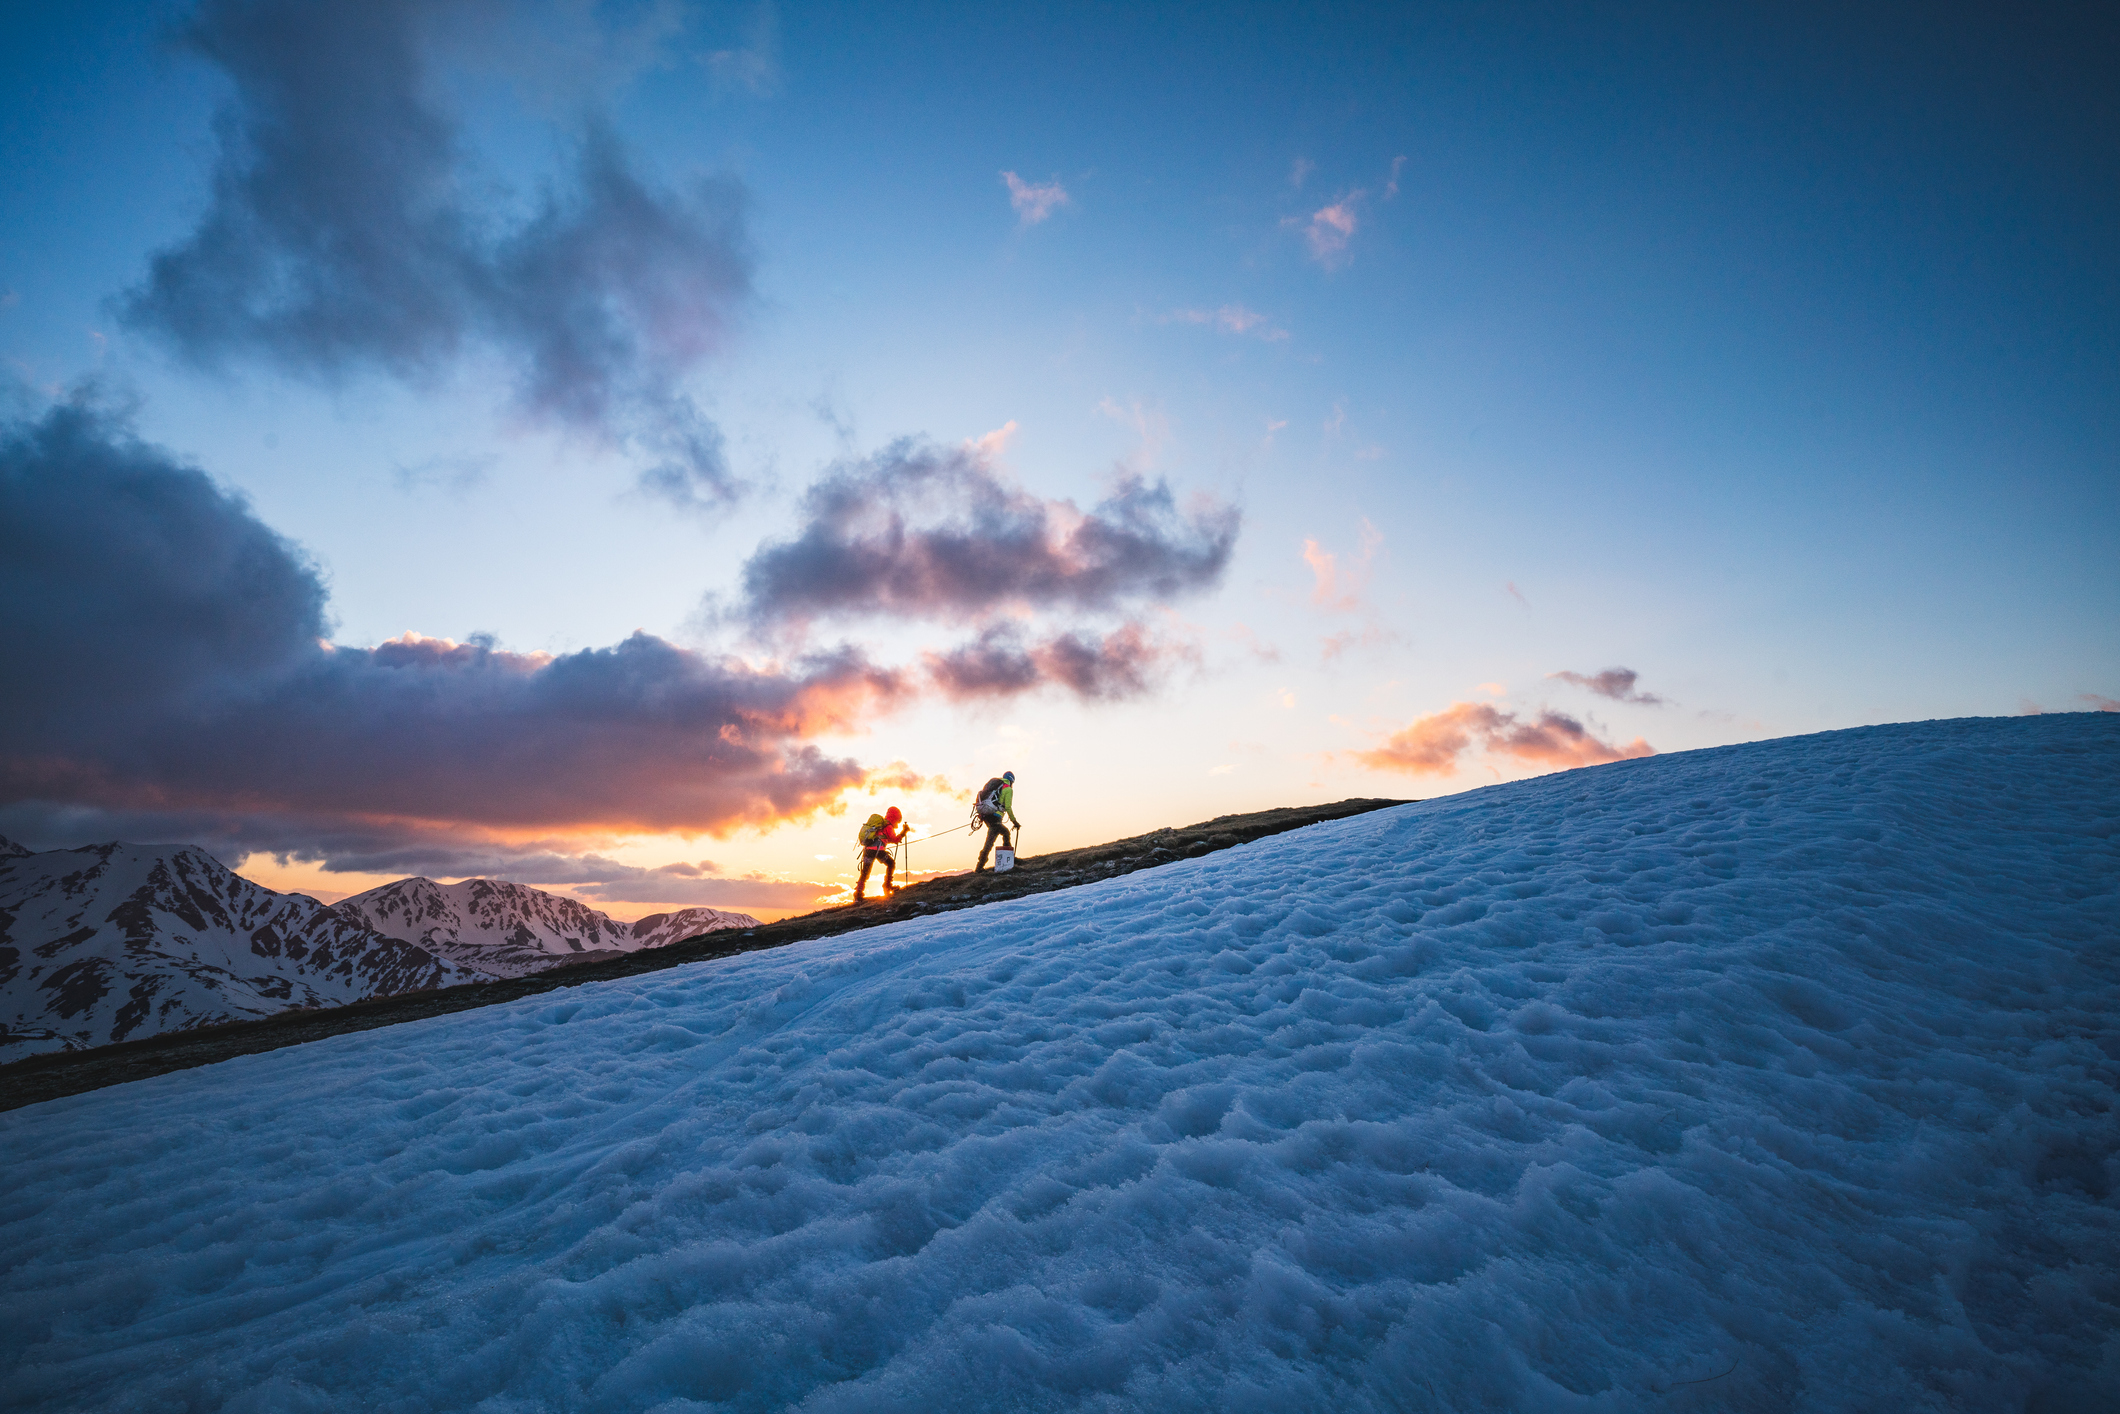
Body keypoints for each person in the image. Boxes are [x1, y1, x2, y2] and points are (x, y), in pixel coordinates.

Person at [855, 806, 905, 901]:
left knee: (865, 872)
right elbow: (894, 839)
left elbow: (883, 837)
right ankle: (887, 885)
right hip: (878, 851)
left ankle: (858, 894)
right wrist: (904, 832)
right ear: (895, 817)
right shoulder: (888, 826)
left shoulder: (880, 825)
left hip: (867, 850)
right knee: (891, 864)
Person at [973, 771, 1019, 872]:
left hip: (986, 815)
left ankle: (1010, 859)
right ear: (1012, 781)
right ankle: (979, 867)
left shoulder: (994, 785)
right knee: (992, 839)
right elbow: (1008, 807)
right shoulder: (1007, 789)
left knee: (999, 835)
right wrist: (1014, 821)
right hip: (995, 817)